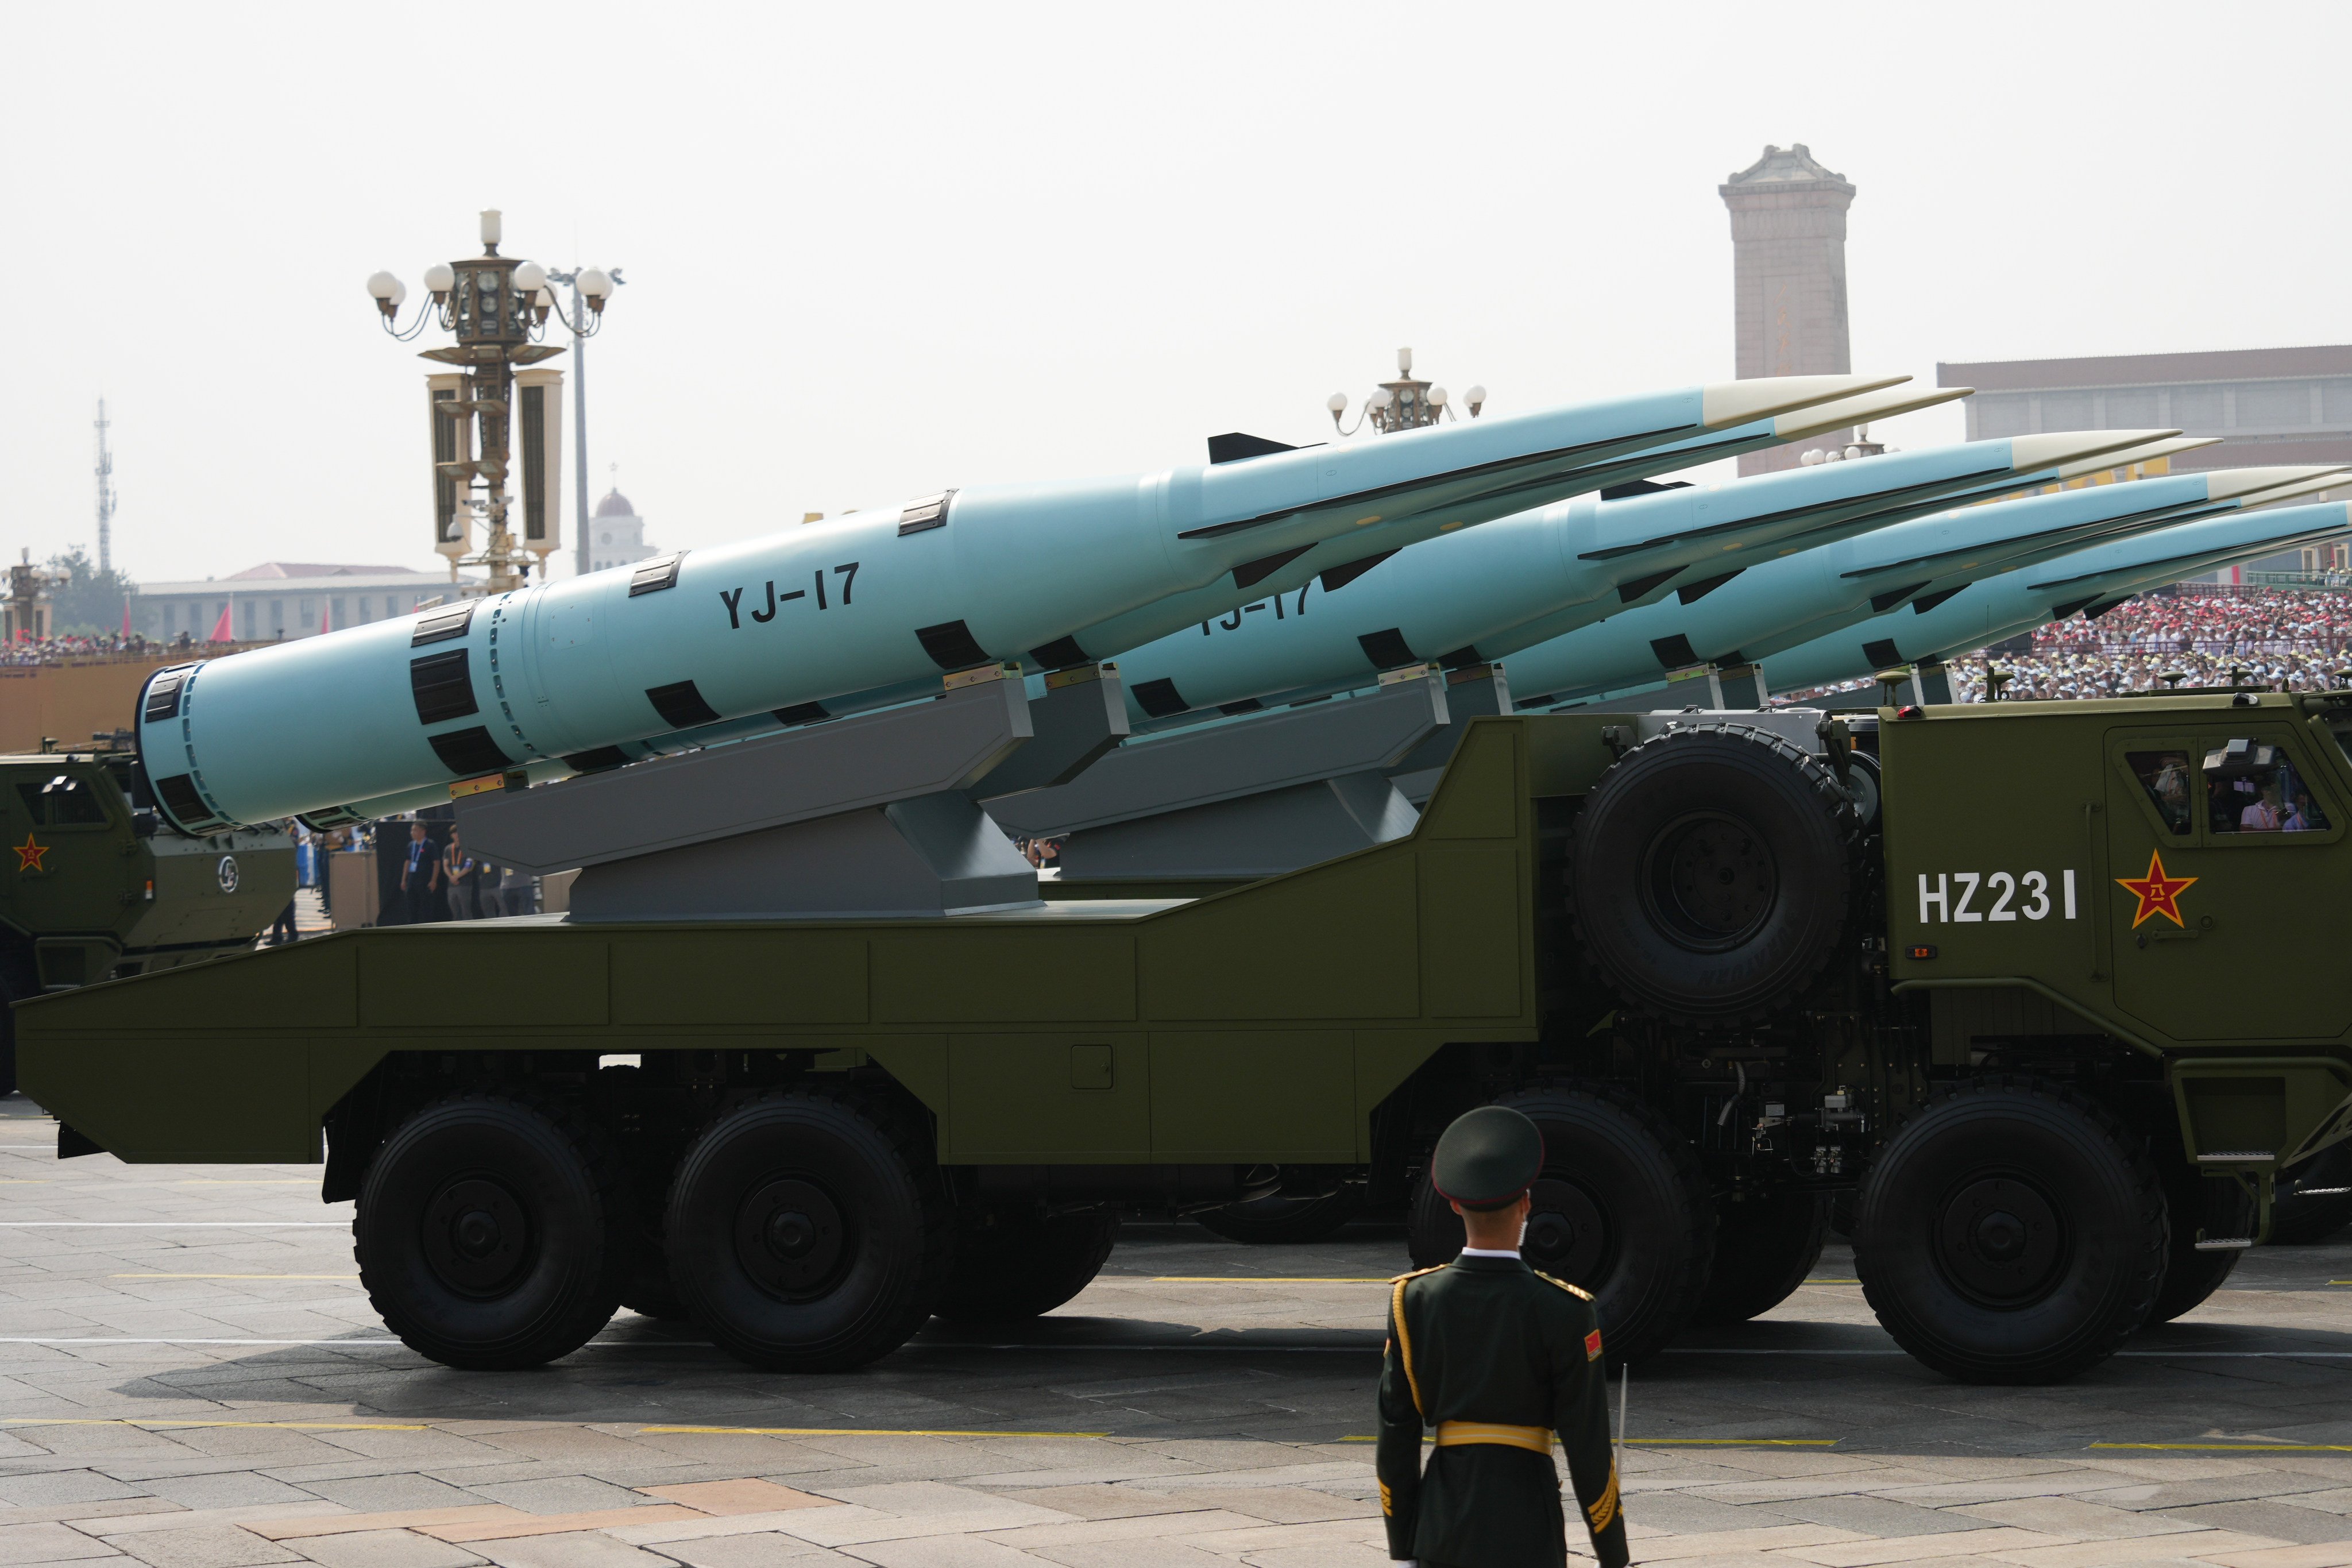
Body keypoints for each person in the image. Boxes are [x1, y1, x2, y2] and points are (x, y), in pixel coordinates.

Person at [1377, 1106, 1628, 1568]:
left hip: (1441, 1529)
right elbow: (1587, 1447)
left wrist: (1403, 1547)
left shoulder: (1412, 1301)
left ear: (1453, 1204)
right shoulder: (1566, 1309)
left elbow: (1397, 1439)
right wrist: (1612, 1555)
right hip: (1528, 1532)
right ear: (1527, 1203)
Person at [396, 821, 441, 924]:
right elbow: (407, 862)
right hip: (412, 881)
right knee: (411, 907)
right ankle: (412, 928)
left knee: (426, 908)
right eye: (412, 830)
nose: (412, 833)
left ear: (423, 832)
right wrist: (404, 880)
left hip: (425, 880)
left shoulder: (430, 844)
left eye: (415, 830)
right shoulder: (411, 845)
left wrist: (434, 880)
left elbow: (437, 863)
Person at [443, 830, 479, 921]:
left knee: (466, 910)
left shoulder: (468, 848)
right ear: (452, 835)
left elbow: (469, 866)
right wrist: (451, 877)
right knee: (454, 911)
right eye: (454, 833)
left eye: (459, 832)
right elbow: (445, 865)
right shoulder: (448, 849)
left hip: (464, 884)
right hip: (452, 885)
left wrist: (457, 876)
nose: (457, 835)